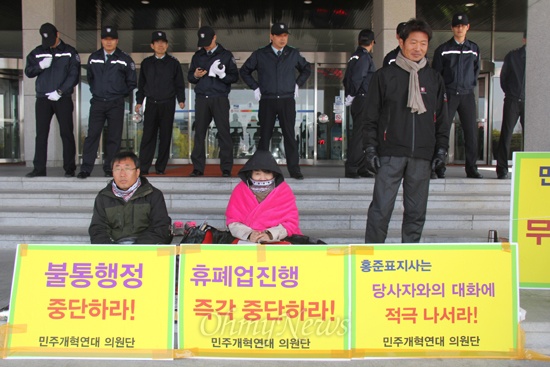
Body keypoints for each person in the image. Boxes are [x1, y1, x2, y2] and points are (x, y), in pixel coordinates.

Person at [363, 19, 450, 243]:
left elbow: (442, 119)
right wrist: (370, 148)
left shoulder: (433, 79)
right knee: (380, 210)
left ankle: (409, 258)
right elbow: (370, 116)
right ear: (401, 42)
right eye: (413, 42)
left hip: (422, 155)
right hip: (390, 153)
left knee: (416, 213)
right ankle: (371, 258)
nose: (418, 48)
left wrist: (441, 150)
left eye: (423, 43)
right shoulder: (384, 76)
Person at [240, 23, 311, 180]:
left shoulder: (292, 54)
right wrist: (255, 87)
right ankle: (262, 170)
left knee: (290, 135)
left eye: (285, 35)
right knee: (265, 136)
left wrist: (298, 84)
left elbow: (307, 68)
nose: (282, 39)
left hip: (287, 100)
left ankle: (294, 169)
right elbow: (244, 71)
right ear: (271, 36)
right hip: (267, 100)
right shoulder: (260, 54)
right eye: (279, 35)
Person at [78, 26, 137, 179]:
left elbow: (131, 82)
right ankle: (86, 169)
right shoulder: (94, 57)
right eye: (106, 39)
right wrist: (98, 91)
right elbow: (90, 78)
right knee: (92, 135)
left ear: (116, 41)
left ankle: (110, 168)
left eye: (112, 39)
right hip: (97, 102)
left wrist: (118, 93)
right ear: (102, 40)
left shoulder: (124, 59)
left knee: (114, 137)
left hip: (115, 103)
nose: (109, 42)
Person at [24, 23, 80, 178]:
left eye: (51, 40)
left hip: (62, 98)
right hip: (43, 98)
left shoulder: (69, 52)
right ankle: (39, 168)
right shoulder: (38, 52)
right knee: (41, 134)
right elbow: (28, 71)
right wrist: (40, 66)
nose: (49, 44)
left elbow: (73, 75)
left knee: (66, 133)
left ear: (58, 35)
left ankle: (69, 168)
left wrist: (60, 91)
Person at [432, 13, 481, 179]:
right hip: (449, 94)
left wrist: (469, 86)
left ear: (468, 27)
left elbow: (476, 71)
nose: (460, 28)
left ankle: (472, 168)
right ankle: (439, 166)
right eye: (457, 26)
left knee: (471, 133)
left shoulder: (474, 49)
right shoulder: (443, 50)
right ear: (452, 28)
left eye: (463, 25)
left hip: (467, 95)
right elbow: (436, 75)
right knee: (442, 130)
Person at [188, 26, 239, 177]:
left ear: (214, 38)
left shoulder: (226, 55)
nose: (205, 45)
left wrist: (222, 75)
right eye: (202, 42)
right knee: (199, 134)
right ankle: (197, 168)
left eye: (208, 41)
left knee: (223, 133)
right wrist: (196, 75)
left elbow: (234, 77)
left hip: (219, 98)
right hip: (202, 98)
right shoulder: (197, 55)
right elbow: (190, 77)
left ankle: (226, 168)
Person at [89, 151, 172, 244]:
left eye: (127, 169)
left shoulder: (153, 195)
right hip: (114, 251)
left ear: (137, 172)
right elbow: (97, 229)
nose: (122, 174)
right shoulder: (103, 197)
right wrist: (112, 250)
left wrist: (135, 249)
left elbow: (160, 227)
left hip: (144, 250)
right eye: (117, 169)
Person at [135, 31, 185, 175]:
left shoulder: (173, 63)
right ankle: (143, 167)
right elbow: (142, 85)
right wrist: (139, 102)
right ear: (152, 45)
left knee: (165, 136)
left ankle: (160, 167)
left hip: (167, 103)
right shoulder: (146, 63)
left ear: (167, 45)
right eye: (157, 42)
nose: (160, 45)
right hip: (151, 103)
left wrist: (181, 99)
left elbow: (179, 84)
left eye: (163, 42)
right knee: (148, 136)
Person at [225, 149, 301, 243]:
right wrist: (249, 234)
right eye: (257, 174)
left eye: (267, 173)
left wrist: (270, 235)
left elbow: (291, 222)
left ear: (274, 174)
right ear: (250, 174)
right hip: (246, 242)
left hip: (279, 241)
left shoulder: (284, 191)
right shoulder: (240, 190)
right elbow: (232, 221)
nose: (262, 178)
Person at [343, 29, 376, 178]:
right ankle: (352, 167)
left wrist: (349, 94)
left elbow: (346, 79)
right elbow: (358, 78)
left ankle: (362, 167)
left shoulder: (354, 57)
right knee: (360, 135)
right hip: (363, 98)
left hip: (359, 99)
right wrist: (352, 93)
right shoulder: (364, 57)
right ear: (372, 42)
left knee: (363, 134)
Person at [496, 31, 526, 179]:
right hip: (513, 100)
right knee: (506, 134)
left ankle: (528, 169)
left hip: (530, 103)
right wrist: (511, 93)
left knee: (529, 137)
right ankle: (502, 169)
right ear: (524, 39)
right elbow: (503, 78)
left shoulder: (541, 57)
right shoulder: (513, 56)